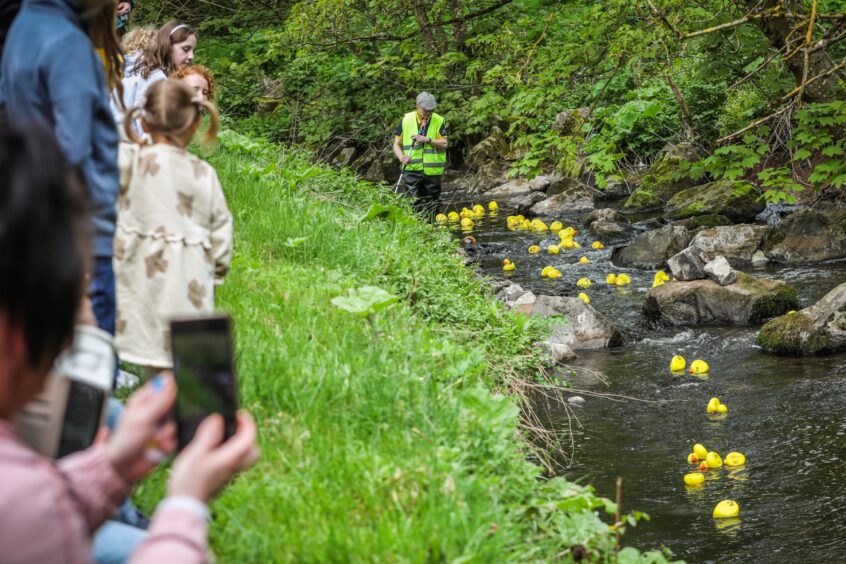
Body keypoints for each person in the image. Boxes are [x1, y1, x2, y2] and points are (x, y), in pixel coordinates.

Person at [0, 122, 259, 563]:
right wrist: (185, 504)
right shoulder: (27, 501)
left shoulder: (27, 493)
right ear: (23, 334)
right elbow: (33, 512)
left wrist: (112, 469)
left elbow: (34, 511)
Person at [1, 0, 121, 336]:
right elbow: (73, 147)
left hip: (35, 210)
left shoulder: (23, 26)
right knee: (91, 351)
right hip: (79, 223)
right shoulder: (68, 44)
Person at [115, 79, 232, 377]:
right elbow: (221, 227)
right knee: (173, 360)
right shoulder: (204, 173)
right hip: (187, 278)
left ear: (143, 120)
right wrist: (216, 271)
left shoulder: (130, 159)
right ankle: (168, 407)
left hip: (137, 272)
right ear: (194, 124)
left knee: (137, 341)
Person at [114, 20, 197, 133]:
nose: (191, 56)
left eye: (193, 50)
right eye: (186, 49)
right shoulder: (154, 77)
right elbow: (145, 127)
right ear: (168, 46)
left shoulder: (145, 69)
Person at [392, 91, 448, 216]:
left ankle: (433, 228)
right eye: (425, 111)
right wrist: (401, 157)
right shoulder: (406, 120)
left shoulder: (438, 121)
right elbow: (396, 144)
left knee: (433, 205)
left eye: (431, 111)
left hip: (432, 172)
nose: (428, 114)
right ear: (417, 105)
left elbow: (444, 144)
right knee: (414, 204)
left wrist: (428, 139)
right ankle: (418, 231)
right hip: (411, 169)